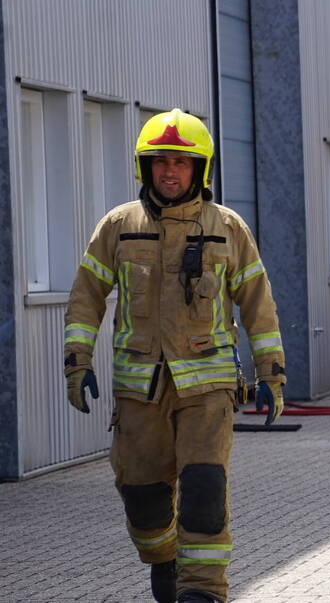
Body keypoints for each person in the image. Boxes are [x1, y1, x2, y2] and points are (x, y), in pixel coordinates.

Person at [63, 109, 287, 602]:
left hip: (207, 392)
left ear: (200, 170)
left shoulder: (227, 228)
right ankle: (163, 561)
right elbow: (85, 296)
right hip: (139, 394)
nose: (169, 171)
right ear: (145, 168)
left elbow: (258, 304)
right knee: (144, 504)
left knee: (204, 494)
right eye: (160, 161)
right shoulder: (118, 226)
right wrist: (77, 362)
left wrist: (272, 375)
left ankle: (202, 592)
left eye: (181, 163)